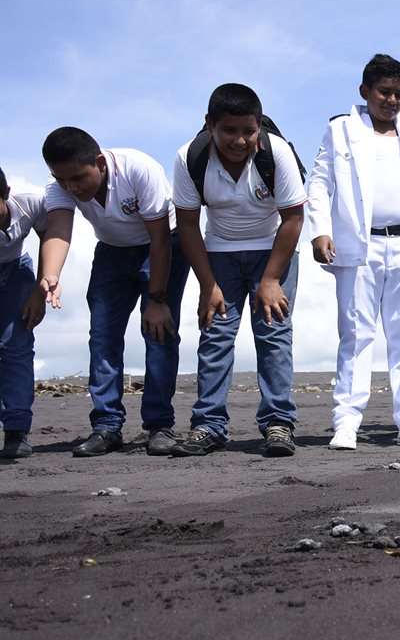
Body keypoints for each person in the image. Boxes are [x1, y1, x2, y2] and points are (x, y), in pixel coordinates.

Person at [306, 54, 400, 451]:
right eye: (384, 92)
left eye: (399, 94)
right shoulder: (341, 129)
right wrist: (320, 230)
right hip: (360, 245)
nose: (392, 100)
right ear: (365, 91)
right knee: (356, 335)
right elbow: (319, 181)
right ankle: (347, 422)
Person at [171, 83, 307, 457]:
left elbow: (293, 218)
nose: (240, 140)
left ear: (259, 126)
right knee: (215, 334)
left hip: (273, 250)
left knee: (273, 333)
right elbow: (187, 225)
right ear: (210, 125)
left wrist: (271, 279)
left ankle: (278, 423)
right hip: (219, 253)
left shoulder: (277, 152)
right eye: (229, 130)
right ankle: (209, 425)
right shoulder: (189, 157)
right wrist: (207, 285)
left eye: (249, 130)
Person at [39, 127, 189, 457]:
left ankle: (159, 426)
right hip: (111, 252)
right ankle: (106, 426)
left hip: (162, 247)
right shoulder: (59, 185)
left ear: (99, 163)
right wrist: (51, 273)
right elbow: (59, 229)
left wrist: (157, 299)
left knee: (159, 333)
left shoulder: (138, 169)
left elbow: (160, 238)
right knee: (103, 336)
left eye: (78, 178)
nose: (71, 188)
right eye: (62, 180)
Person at [0, 169, 49, 459]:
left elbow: (50, 237)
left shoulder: (29, 204)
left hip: (17, 272)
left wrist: (39, 291)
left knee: (17, 347)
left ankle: (16, 429)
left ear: (5, 194)